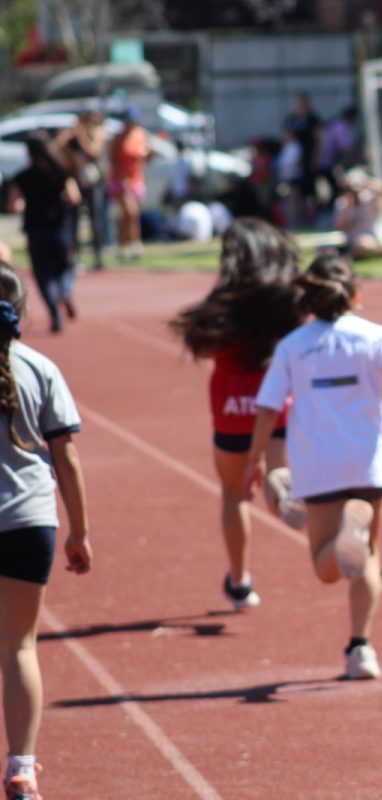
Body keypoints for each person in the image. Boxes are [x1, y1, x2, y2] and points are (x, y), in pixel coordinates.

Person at [243, 254, 382, 679]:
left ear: (307, 298)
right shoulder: (375, 336)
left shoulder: (293, 345)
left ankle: (345, 537)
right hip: (369, 463)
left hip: (318, 466)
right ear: (355, 296)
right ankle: (361, 648)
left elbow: (268, 409)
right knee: (368, 556)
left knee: (328, 569)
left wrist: (255, 463)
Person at [169, 219, 305, 610]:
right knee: (278, 475)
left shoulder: (223, 307)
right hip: (276, 405)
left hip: (231, 410)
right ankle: (292, 505)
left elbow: (205, 348)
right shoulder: (286, 300)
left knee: (234, 494)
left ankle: (240, 581)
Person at [0, 261, 93, 800]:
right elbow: (68, 458)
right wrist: (80, 531)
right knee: (18, 647)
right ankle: (21, 767)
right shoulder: (40, 366)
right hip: (28, 520)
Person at [6, 132, 81, 333]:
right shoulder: (62, 172)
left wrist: (25, 204)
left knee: (43, 275)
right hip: (60, 228)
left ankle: (55, 315)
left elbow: (13, 205)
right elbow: (74, 197)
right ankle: (65, 292)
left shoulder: (23, 177)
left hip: (36, 230)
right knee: (66, 266)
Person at [56, 109, 107, 271]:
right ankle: (74, 255)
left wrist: (82, 136)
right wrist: (68, 136)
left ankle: (98, 255)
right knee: (73, 218)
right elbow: (57, 148)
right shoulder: (72, 134)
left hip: (93, 181)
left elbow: (93, 151)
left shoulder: (96, 132)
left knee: (95, 216)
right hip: (77, 180)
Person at [108, 107, 151, 262]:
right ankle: (135, 245)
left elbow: (148, 154)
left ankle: (123, 246)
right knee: (130, 213)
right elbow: (113, 161)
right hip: (121, 180)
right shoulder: (118, 139)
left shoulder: (140, 135)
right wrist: (123, 179)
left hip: (137, 179)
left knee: (131, 216)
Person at [335, 169, 382, 260]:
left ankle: (349, 256)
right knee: (322, 250)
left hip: (377, 242)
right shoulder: (343, 203)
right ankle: (349, 254)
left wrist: (364, 181)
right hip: (351, 244)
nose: (355, 192)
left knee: (362, 244)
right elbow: (341, 228)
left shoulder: (371, 199)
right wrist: (349, 207)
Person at [282, 93, 322, 226]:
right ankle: (296, 219)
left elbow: (318, 140)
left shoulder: (313, 119)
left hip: (308, 161)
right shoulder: (291, 119)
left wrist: (315, 158)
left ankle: (311, 218)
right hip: (294, 163)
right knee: (293, 191)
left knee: (310, 192)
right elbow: (286, 138)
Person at [319, 105, 359, 200]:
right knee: (338, 187)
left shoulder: (337, 124)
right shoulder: (341, 126)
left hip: (326, 160)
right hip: (327, 161)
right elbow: (346, 148)